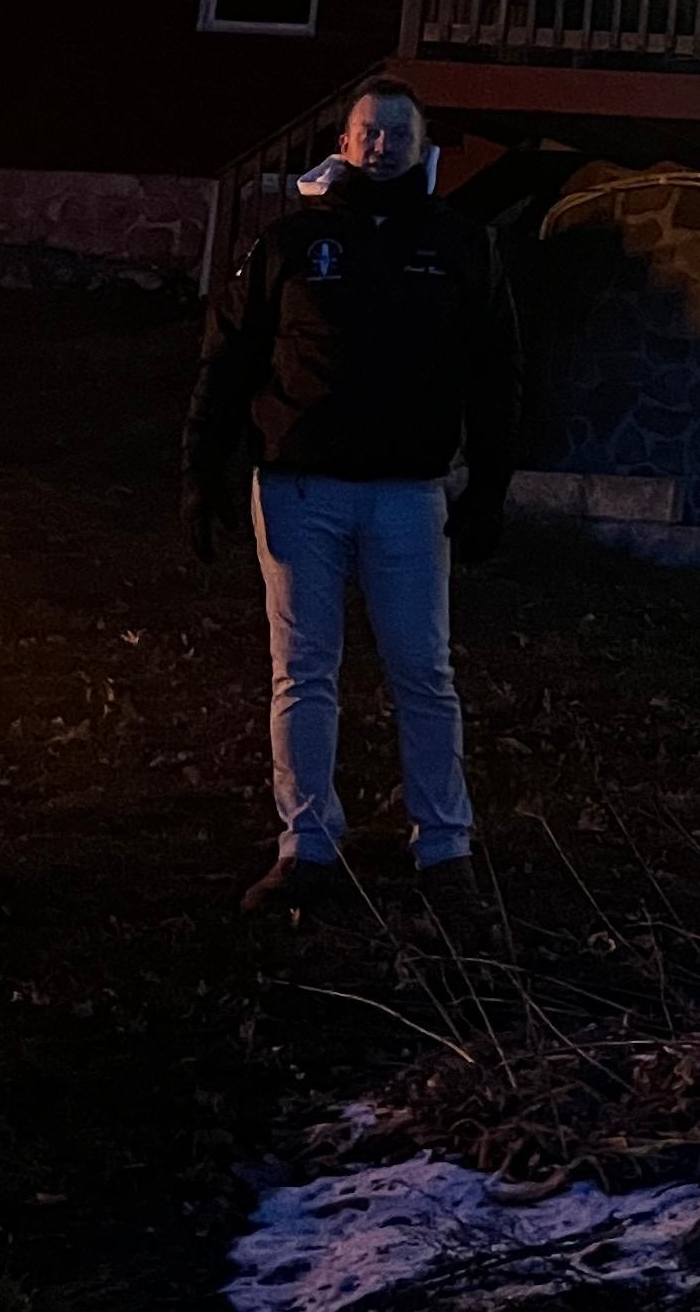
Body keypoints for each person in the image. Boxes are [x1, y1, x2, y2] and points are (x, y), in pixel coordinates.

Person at [182, 80, 521, 914]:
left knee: (425, 673)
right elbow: (230, 355)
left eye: (398, 133)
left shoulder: (461, 246)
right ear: (344, 140)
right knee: (302, 672)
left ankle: (445, 849)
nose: (382, 146)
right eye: (369, 131)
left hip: (408, 494)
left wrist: (490, 485)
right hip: (299, 489)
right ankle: (306, 845)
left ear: (422, 146)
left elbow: (497, 374)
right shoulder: (290, 243)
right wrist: (201, 470)